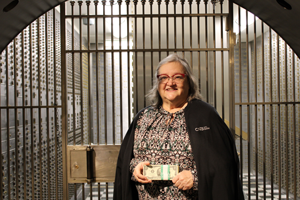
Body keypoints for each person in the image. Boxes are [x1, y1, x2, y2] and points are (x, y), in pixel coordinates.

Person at [113, 54, 244, 200]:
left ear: (189, 82)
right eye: (163, 77)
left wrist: (196, 177)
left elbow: (224, 164)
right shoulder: (143, 117)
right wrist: (135, 167)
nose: (170, 82)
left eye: (177, 77)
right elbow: (127, 160)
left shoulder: (206, 115)